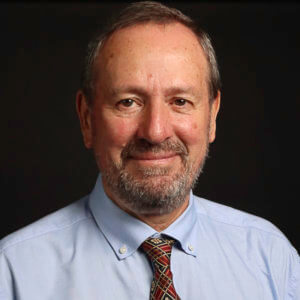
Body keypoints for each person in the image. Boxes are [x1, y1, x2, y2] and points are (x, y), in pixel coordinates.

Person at [0, 1, 299, 299]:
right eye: (128, 102)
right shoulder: (15, 273)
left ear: (212, 116)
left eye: (180, 101)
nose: (155, 132)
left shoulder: (272, 260)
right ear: (87, 119)